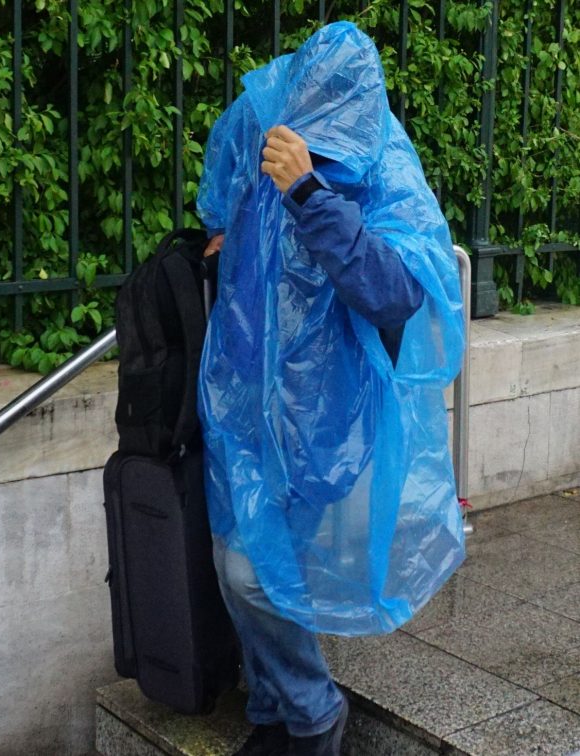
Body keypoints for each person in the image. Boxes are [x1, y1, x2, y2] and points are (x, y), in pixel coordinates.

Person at [195, 23, 467, 756]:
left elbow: (397, 292)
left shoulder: (381, 165)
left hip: (327, 415)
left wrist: (310, 190)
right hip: (247, 400)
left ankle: (314, 713)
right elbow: (226, 200)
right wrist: (221, 227)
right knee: (233, 557)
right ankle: (274, 715)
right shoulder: (265, 128)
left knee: (252, 571)